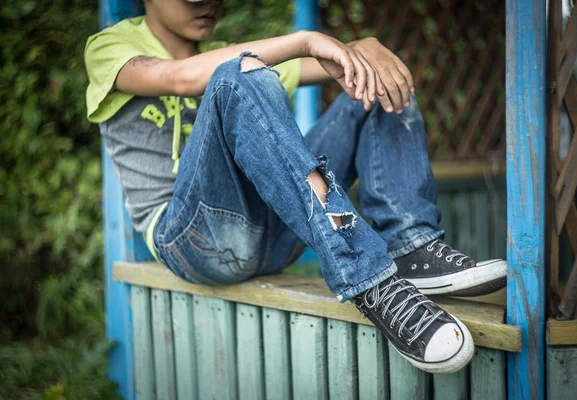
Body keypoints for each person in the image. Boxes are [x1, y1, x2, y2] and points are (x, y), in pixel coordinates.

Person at [85, 0, 507, 374]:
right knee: (237, 75)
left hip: (274, 231)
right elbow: (178, 78)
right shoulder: (111, 47)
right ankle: (371, 282)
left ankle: (409, 244)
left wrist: (365, 46)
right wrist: (306, 39)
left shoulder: (231, 57)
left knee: (373, 81)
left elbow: (334, 63)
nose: (207, 5)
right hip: (190, 240)